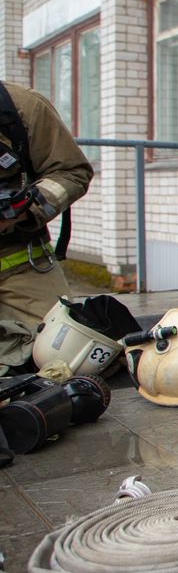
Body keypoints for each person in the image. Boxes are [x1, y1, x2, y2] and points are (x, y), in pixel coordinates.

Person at [0, 81, 93, 377]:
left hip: (21, 266)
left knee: (68, 357)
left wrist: (22, 210)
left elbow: (71, 171)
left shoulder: (22, 107)